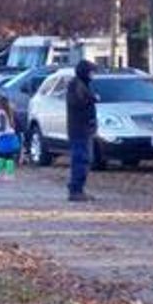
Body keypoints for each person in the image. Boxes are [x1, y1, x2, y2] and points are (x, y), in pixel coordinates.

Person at [66, 60, 98, 202]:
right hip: (79, 129)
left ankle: (79, 188)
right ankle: (76, 189)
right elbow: (77, 103)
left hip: (84, 128)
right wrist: (92, 99)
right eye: (91, 72)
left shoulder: (82, 85)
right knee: (81, 159)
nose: (93, 75)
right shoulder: (76, 86)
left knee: (85, 159)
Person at [0, 95, 20, 181]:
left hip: (4, 136)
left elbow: (2, 127)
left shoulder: (1, 113)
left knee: (1, 155)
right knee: (9, 156)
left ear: (0, 103)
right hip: (9, 136)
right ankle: (9, 174)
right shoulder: (7, 112)